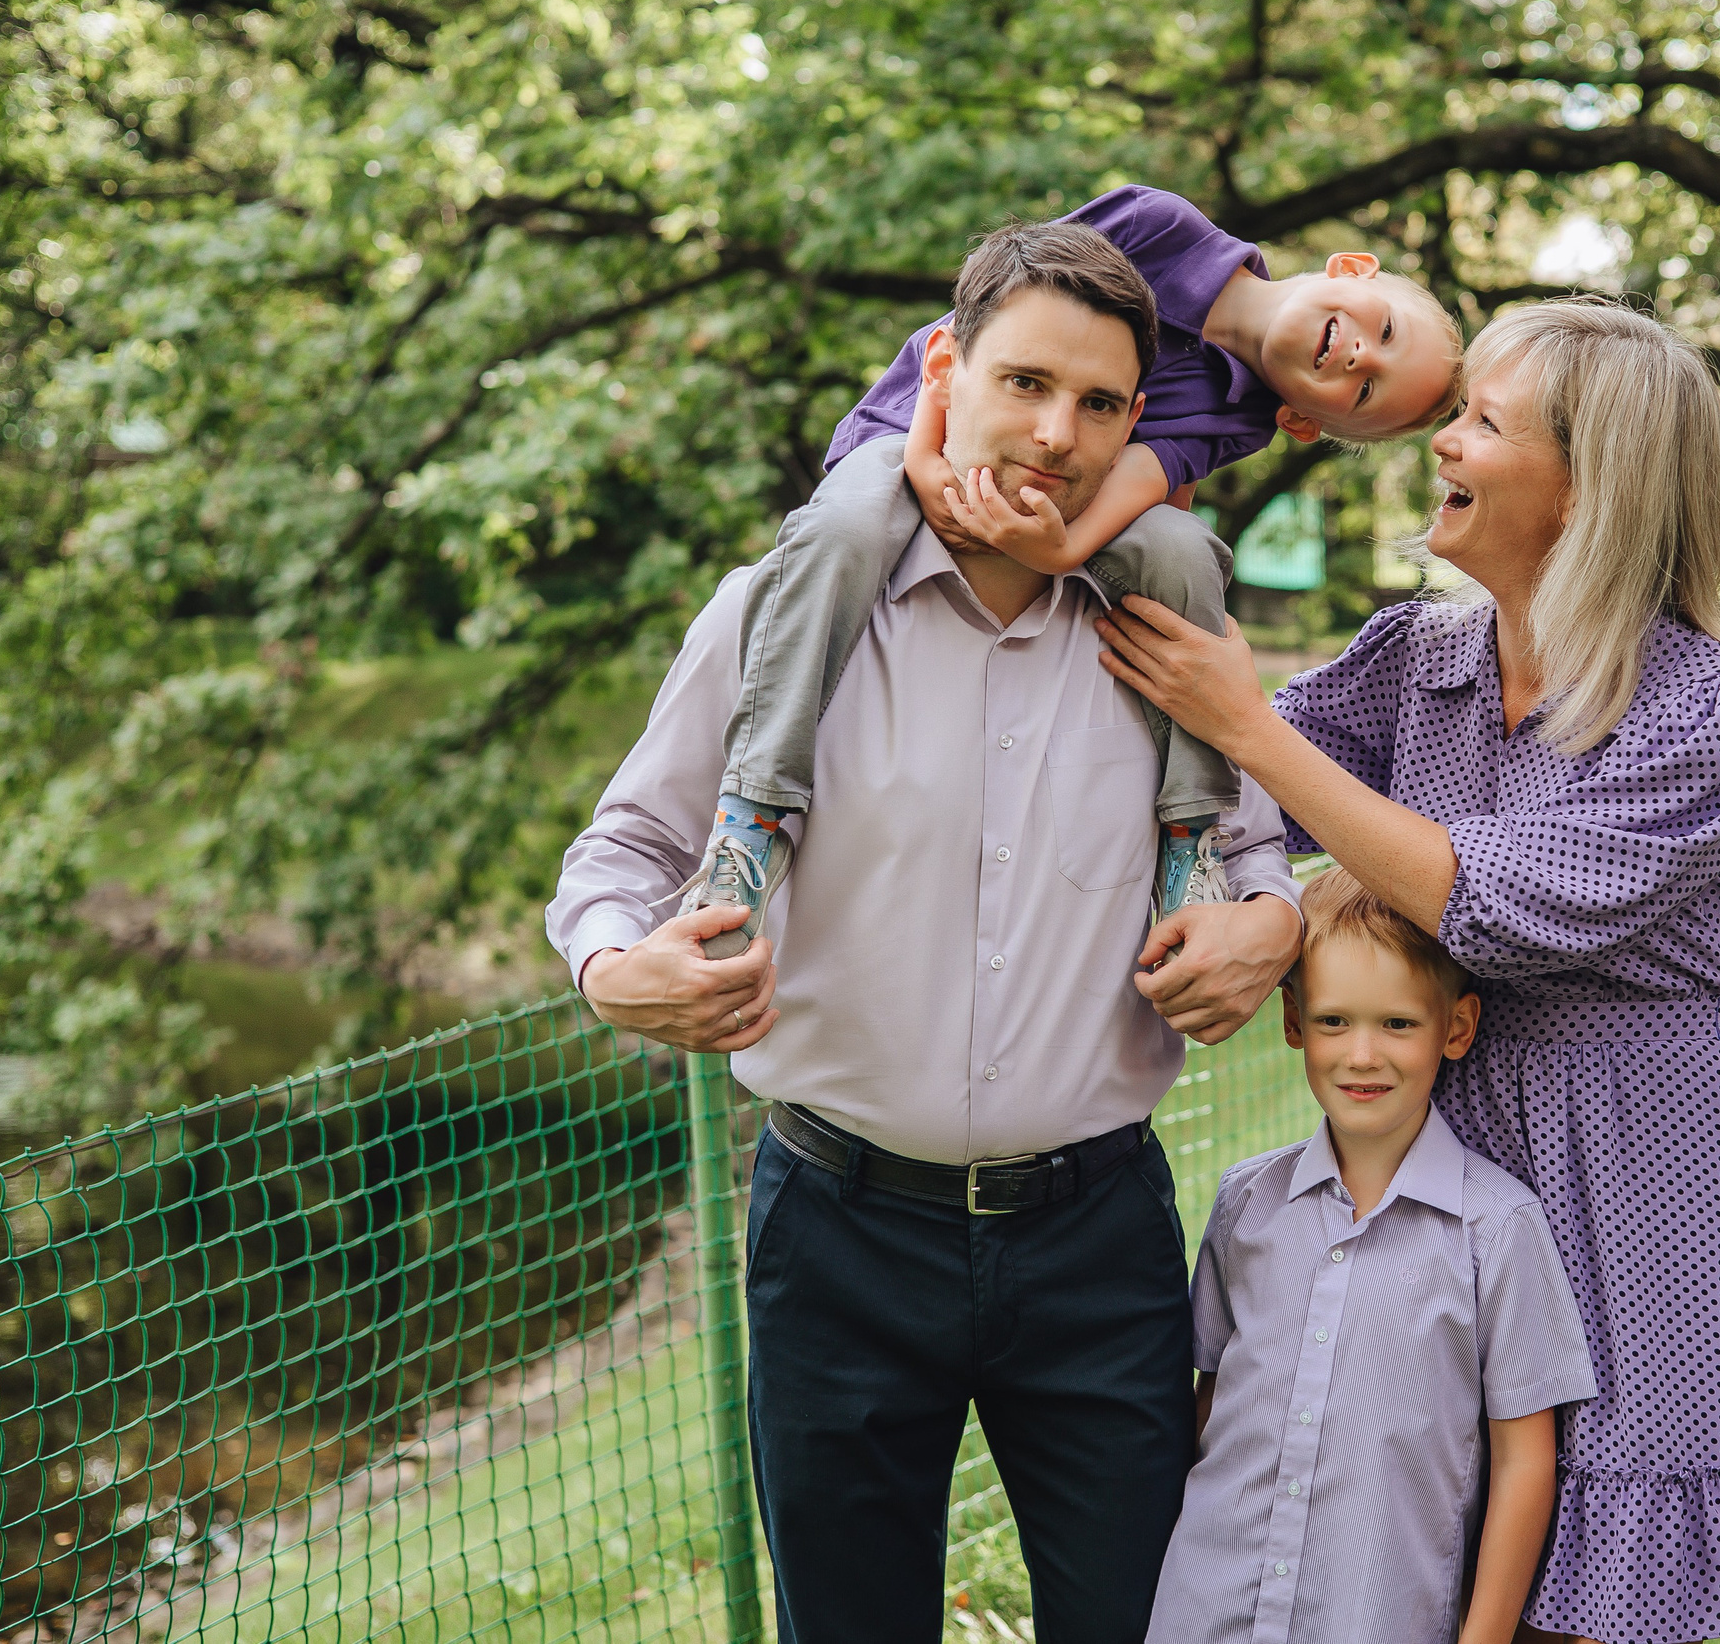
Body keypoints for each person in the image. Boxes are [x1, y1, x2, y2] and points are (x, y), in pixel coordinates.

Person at [545, 217, 1307, 1644]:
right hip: (836, 1234)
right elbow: (623, 850)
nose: (1055, 434)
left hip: (1098, 1239)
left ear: (1137, 423)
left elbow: (1259, 854)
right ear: (943, 368)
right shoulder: (774, 611)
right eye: (1024, 381)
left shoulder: (1175, 636)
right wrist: (609, 963)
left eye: (1097, 404)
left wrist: (1263, 924)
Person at [1094, 297, 1720, 1643]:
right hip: (1447, 1145)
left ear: (1588, 491)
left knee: (1600, 1578)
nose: (1438, 439)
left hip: (1644, 1171)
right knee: (1441, 1531)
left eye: (1482, 423)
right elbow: (1239, 796)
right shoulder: (1419, 658)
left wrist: (1252, 733)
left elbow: (1496, 898)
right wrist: (1274, 912)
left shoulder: (1712, 705)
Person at [696, 185, 1463, 957]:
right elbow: (987, 316)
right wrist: (925, 460)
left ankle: (1189, 835)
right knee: (843, 527)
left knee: (1186, 553)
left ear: (1304, 422)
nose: (1364, 355)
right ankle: (754, 810)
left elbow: (1133, 496)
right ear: (1353, 268)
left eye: (1367, 390)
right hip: (926, 430)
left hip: (1061, 503)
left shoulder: (1237, 418)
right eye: (1388, 331)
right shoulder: (1160, 226)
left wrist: (1056, 549)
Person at [1146, 866, 1598, 1644]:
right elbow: (1213, 1402)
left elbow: (1527, 1460)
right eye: (1333, 1021)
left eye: (1397, 1023)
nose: (1362, 1053)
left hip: (1376, 1613)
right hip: (1208, 1607)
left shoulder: (1498, 1228)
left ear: (1455, 1028)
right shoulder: (1246, 1204)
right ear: (1292, 1021)